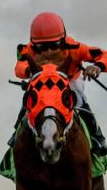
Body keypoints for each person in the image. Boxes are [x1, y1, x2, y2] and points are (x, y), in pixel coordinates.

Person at [9, 12, 107, 156]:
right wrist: (29, 70)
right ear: (33, 43)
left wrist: (97, 66)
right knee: (29, 102)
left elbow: (103, 55)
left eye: (54, 45)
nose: (48, 51)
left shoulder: (74, 47)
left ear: (63, 40)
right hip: (42, 84)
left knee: (79, 101)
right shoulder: (28, 50)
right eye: (41, 47)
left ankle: (97, 138)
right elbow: (19, 68)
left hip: (68, 82)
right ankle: (16, 134)